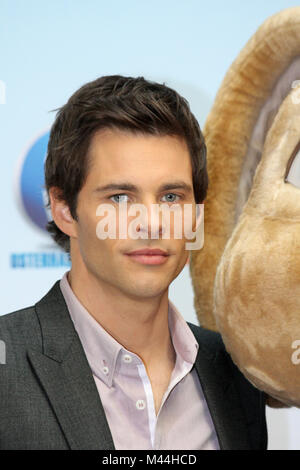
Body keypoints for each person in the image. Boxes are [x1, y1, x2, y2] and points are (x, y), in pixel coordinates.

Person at [0, 75, 267, 450]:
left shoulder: (237, 372)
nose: (152, 222)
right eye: (121, 198)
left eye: (171, 196)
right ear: (64, 209)